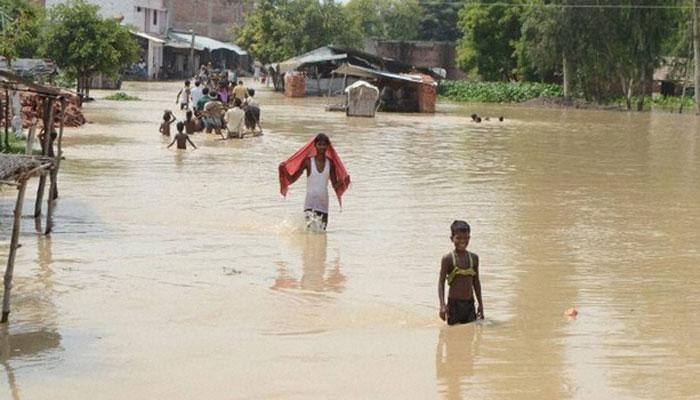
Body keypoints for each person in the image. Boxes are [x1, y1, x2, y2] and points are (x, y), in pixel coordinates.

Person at [278, 134, 351, 231]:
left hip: (323, 203)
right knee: (309, 233)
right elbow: (292, 179)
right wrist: (284, 170)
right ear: (315, 146)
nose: (322, 147)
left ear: (327, 146)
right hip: (310, 203)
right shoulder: (308, 162)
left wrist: (344, 182)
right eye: (319, 144)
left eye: (324, 144)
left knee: (322, 232)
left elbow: (335, 186)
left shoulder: (330, 163)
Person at [438, 220, 483, 325]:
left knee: (470, 334)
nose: (462, 241)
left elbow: (476, 282)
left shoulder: (474, 258)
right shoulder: (448, 259)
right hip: (454, 305)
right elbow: (441, 283)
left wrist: (480, 304)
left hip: (470, 304)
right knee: (452, 336)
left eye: (466, 238)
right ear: (451, 239)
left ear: (469, 238)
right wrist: (442, 305)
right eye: (458, 238)